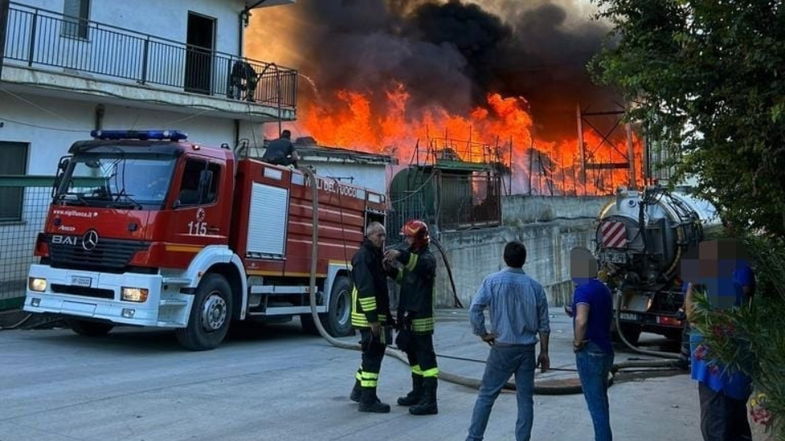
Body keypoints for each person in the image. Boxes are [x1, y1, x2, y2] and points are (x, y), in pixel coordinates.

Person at [466, 241, 550, 441]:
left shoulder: (492, 281)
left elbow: (474, 308)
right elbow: (544, 324)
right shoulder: (536, 287)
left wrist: (482, 333)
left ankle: (474, 438)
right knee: (525, 400)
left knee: (487, 395)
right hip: (527, 350)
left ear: (504, 258)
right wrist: (544, 352)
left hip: (502, 348)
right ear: (524, 260)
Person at [684, 239, 754, 441]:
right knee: (735, 428)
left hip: (718, 379)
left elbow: (693, 317)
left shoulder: (719, 288)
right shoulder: (725, 286)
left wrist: (691, 286)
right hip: (730, 375)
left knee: (716, 430)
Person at [384, 219, 439, 416]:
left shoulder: (427, 258)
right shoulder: (415, 256)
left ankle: (430, 400)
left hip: (420, 318)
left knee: (426, 361)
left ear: (418, 239)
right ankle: (417, 392)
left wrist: (400, 254)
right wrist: (390, 270)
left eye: (408, 237)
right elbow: (406, 280)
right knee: (413, 357)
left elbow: (416, 265)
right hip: (408, 318)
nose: (405, 240)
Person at [570, 247, 614, 441]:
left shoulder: (582, 290)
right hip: (606, 350)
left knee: (595, 406)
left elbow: (582, 320)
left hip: (590, 350)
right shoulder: (603, 289)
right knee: (602, 402)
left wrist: (578, 342)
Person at [349, 222, 392, 413]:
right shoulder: (363, 256)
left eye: (383, 236)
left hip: (374, 315)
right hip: (367, 317)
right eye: (379, 235)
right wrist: (373, 319)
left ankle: (359, 391)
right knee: (373, 356)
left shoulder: (374, 256)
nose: (382, 239)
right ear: (369, 235)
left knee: (371, 354)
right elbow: (366, 289)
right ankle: (368, 400)